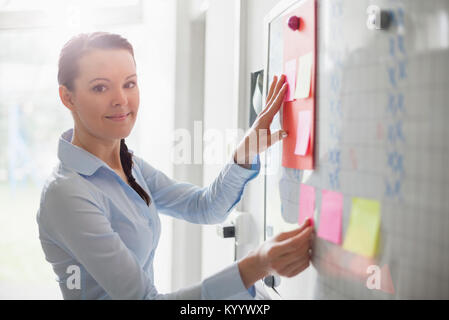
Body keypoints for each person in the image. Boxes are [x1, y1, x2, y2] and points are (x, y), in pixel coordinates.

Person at [36, 32, 313, 300]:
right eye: (100, 87)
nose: (121, 99)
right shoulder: (68, 194)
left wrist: (245, 152)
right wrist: (257, 265)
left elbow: (204, 206)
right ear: (68, 97)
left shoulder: (128, 165)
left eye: (129, 83)